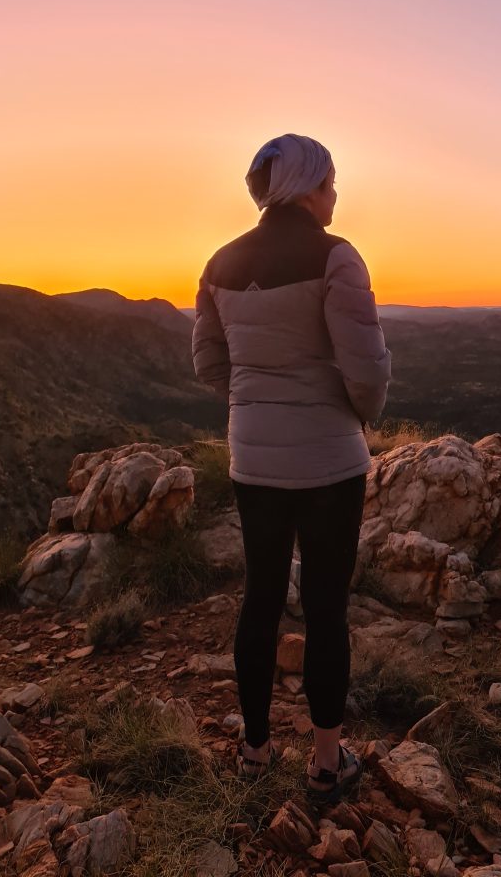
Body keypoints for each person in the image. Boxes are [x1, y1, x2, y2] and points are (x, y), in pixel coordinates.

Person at [192, 133, 391, 802]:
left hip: (253, 458)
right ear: (307, 185)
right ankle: (327, 764)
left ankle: (253, 753)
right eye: (331, 183)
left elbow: (208, 364)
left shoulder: (218, 264)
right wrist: (355, 412)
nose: (335, 196)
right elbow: (366, 369)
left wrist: (255, 403)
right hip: (330, 460)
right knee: (327, 609)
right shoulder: (337, 257)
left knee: (261, 599)